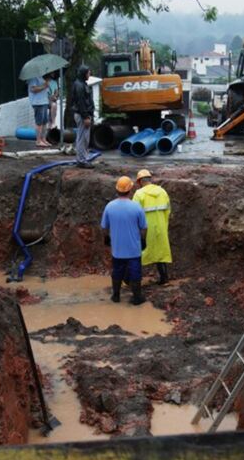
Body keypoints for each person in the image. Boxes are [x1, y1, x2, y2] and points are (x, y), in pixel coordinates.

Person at [101, 176, 148, 305]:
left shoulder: (109, 206)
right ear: (130, 190)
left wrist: (107, 238)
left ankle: (116, 296)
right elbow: (144, 227)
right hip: (133, 249)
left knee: (117, 271)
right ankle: (137, 297)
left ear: (117, 190)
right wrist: (143, 240)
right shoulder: (136, 207)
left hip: (117, 249)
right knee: (135, 272)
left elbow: (104, 227)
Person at [132, 169, 171, 285]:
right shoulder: (162, 191)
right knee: (160, 253)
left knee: (139, 254)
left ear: (139, 181)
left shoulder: (139, 194)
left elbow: (134, 213)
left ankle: (133, 281)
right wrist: (164, 224)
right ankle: (164, 279)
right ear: (150, 179)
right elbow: (168, 210)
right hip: (161, 228)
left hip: (145, 230)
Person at [70, 65, 95, 168]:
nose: (89, 74)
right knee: (82, 138)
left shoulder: (80, 84)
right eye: (88, 73)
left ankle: (83, 159)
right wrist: (85, 117)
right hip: (82, 115)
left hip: (83, 114)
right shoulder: (80, 85)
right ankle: (81, 160)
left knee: (84, 137)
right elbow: (81, 103)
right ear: (83, 73)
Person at [27, 74, 51, 147]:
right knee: (39, 122)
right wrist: (44, 86)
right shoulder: (33, 77)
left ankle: (43, 139)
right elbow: (33, 89)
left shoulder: (42, 77)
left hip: (44, 101)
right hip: (37, 102)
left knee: (45, 122)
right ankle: (38, 140)